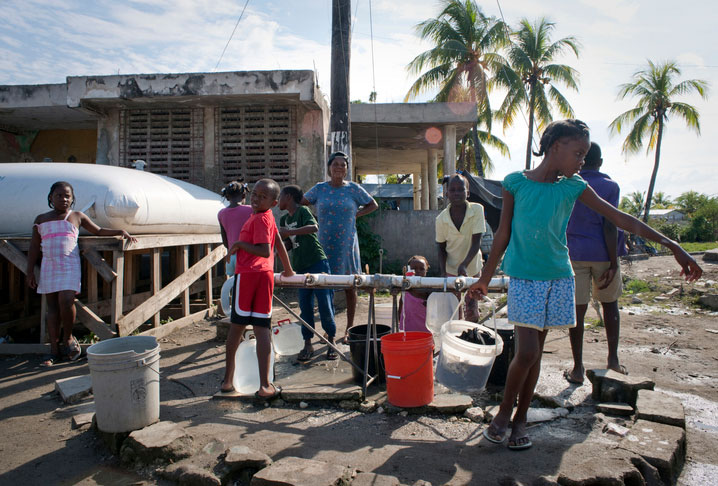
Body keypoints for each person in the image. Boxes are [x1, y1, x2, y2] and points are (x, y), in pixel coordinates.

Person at [469, 119, 702, 451]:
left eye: (584, 155)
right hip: (524, 277)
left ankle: (521, 418)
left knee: (534, 357)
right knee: (528, 351)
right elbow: (503, 234)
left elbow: (620, 219)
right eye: (578, 153)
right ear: (555, 147)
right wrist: (484, 279)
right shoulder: (515, 183)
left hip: (559, 278)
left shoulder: (573, 186)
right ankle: (504, 414)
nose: (582, 161)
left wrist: (672, 245)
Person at [26, 181, 137, 367]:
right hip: (49, 266)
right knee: (52, 308)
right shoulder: (41, 219)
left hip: (69, 266)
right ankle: (53, 350)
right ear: (51, 198)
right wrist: (30, 271)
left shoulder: (76, 216)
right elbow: (34, 247)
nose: (63, 199)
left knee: (66, 300)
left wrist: (121, 231)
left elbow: (99, 230)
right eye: (59, 195)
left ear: (72, 198)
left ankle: (68, 339)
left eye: (67, 195)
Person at [220, 179, 294, 399]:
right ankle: (265, 385)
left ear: (273, 202)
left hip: (249, 275)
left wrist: (239, 245)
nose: (256, 198)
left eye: (263, 197)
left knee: (237, 329)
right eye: (254, 194)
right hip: (265, 276)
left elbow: (262, 251)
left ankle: (227, 380)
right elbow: (278, 241)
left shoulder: (260, 219)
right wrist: (288, 269)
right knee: (262, 328)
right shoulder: (267, 217)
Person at [565, 142, 628, 384]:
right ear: (600, 162)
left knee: (577, 313)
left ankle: (578, 368)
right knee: (610, 305)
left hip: (574, 254)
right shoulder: (610, 186)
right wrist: (614, 262)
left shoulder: (571, 185)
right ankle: (612, 360)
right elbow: (610, 224)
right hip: (603, 254)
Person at [302, 152, 378, 341]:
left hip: (346, 244)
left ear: (346, 169)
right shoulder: (319, 189)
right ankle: (329, 329)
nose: (339, 167)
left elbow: (373, 204)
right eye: (335, 164)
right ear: (329, 168)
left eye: (343, 165)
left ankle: (349, 329)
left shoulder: (354, 189)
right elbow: (302, 204)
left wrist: (355, 215)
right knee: (324, 286)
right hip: (324, 243)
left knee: (350, 286)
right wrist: (312, 220)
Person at [278, 184, 337, 361]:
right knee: (305, 307)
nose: (278, 201)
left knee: (325, 304)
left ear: (288, 197)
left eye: (280, 196)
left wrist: (289, 232)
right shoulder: (283, 220)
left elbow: (314, 227)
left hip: (317, 262)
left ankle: (331, 341)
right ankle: (307, 343)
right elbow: (290, 242)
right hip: (300, 267)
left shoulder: (303, 211)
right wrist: (279, 249)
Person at [436, 173, 486, 322]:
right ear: (447, 194)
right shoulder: (441, 219)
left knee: (471, 311)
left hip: (472, 269)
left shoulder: (477, 210)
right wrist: (443, 272)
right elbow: (440, 247)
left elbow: (476, 241)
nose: (456, 193)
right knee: (454, 312)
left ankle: (471, 339)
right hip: (452, 270)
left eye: (460, 189)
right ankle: (456, 342)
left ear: (467, 193)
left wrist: (464, 264)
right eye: (453, 190)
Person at [217, 180, 252, 277]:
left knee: (234, 287)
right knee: (246, 287)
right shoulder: (251, 210)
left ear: (227, 197)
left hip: (231, 257)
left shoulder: (221, 214)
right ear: (244, 196)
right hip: (247, 257)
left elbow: (225, 241)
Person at [398, 255, 432, 333]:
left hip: (424, 327)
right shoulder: (405, 287)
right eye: (414, 269)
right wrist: (399, 319)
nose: (418, 271)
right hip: (407, 325)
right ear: (408, 270)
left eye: (421, 269)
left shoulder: (428, 288)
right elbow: (401, 303)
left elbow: (433, 304)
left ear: (426, 271)